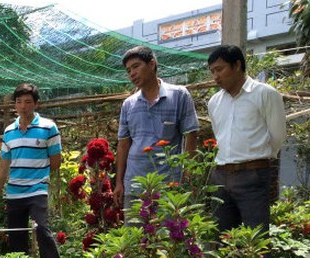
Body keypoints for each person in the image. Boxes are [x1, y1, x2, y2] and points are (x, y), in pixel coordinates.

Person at [0, 83, 63, 258]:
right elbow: (3, 168)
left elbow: (56, 161)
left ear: (36, 104)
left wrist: (38, 175)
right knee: (16, 236)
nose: (23, 106)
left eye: (27, 102)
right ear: (15, 105)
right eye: (19, 102)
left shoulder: (48, 127)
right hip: (14, 192)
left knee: (42, 229)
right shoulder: (9, 131)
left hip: (37, 190)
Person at [207, 44, 286, 235]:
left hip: (253, 175)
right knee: (221, 240)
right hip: (220, 176)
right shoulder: (214, 102)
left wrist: (258, 161)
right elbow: (220, 136)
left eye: (220, 69)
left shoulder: (265, 93)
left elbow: (277, 136)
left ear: (237, 65)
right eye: (212, 71)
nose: (216, 76)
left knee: (257, 239)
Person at [114, 46, 199, 208]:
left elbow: (191, 135)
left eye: (136, 66)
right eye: (128, 70)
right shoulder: (129, 104)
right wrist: (119, 182)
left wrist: (189, 176)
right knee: (134, 232)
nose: (132, 73)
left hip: (168, 185)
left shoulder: (179, 95)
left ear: (152, 64)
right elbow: (123, 144)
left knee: (169, 232)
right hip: (135, 185)